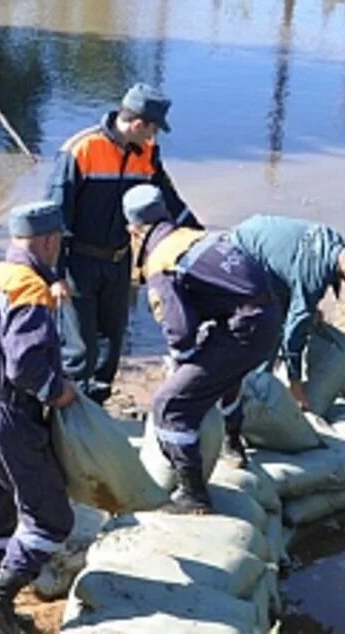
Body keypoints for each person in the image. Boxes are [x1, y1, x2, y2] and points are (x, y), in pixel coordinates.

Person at [0, 201, 78, 634]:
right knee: (52, 518)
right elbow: (25, 367)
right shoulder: (31, 289)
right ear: (49, 241)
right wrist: (59, 392)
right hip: (5, 416)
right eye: (59, 242)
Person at [124, 185, 282, 513]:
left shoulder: (161, 261)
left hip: (244, 329)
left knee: (171, 405)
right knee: (221, 378)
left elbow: (180, 329)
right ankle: (232, 445)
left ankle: (193, 495)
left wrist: (181, 363)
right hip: (264, 317)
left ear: (136, 231)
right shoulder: (193, 236)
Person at [46, 83, 200, 404]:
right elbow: (55, 216)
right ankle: (68, 417)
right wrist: (55, 275)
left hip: (119, 262)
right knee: (79, 347)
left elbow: (169, 202)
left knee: (111, 344)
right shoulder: (81, 150)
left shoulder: (147, 155)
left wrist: (199, 238)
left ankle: (97, 408)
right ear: (138, 124)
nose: (154, 136)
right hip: (78, 265)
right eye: (153, 129)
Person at [230, 215, 345, 411]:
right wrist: (295, 385)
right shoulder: (313, 276)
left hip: (262, 249)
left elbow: (297, 274)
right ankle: (254, 391)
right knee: (271, 329)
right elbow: (293, 335)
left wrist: (310, 308)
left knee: (286, 314)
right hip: (242, 256)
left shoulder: (334, 245)